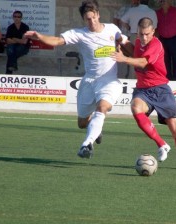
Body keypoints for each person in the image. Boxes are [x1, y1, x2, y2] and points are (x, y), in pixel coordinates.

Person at [24, 0, 129, 159]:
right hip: (89, 82)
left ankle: (87, 145)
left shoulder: (112, 29)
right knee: (82, 123)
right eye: (88, 19)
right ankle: (95, 130)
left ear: (98, 15)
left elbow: (126, 43)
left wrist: (135, 56)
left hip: (109, 81)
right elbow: (58, 41)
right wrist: (39, 36)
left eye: (94, 17)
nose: (92, 21)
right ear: (84, 19)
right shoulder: (79, 34)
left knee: (102, 108)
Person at [111, 17, 176, 171]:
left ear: (153, 32)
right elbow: (133, 51)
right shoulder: (138, 42)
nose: (143, 38)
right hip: (143, 90)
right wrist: (121, 44)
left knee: (175, 128)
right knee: (135, 107)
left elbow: (143, 62)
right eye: (140, 34)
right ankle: (162, 144)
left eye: (146, 34)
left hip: (161, 89)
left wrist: (124, 59)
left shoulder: (156, 44)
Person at [120, 0, 157, 79]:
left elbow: (122, 20)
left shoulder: (132, 10)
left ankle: (131, 79)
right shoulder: (152, 12)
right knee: (146, 60)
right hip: (148, 37)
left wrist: (129, 27)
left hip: (134, 36)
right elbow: (155, 26)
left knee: (134, 59)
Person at [156, 0, 176, 81]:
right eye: (161, 1)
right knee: (165, 60)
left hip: (174, 39)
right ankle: (167, 79)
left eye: (165, 1)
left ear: (169, 2)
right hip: (163, 39)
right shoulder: (158, 13)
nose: (163, 3)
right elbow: (156, 26)